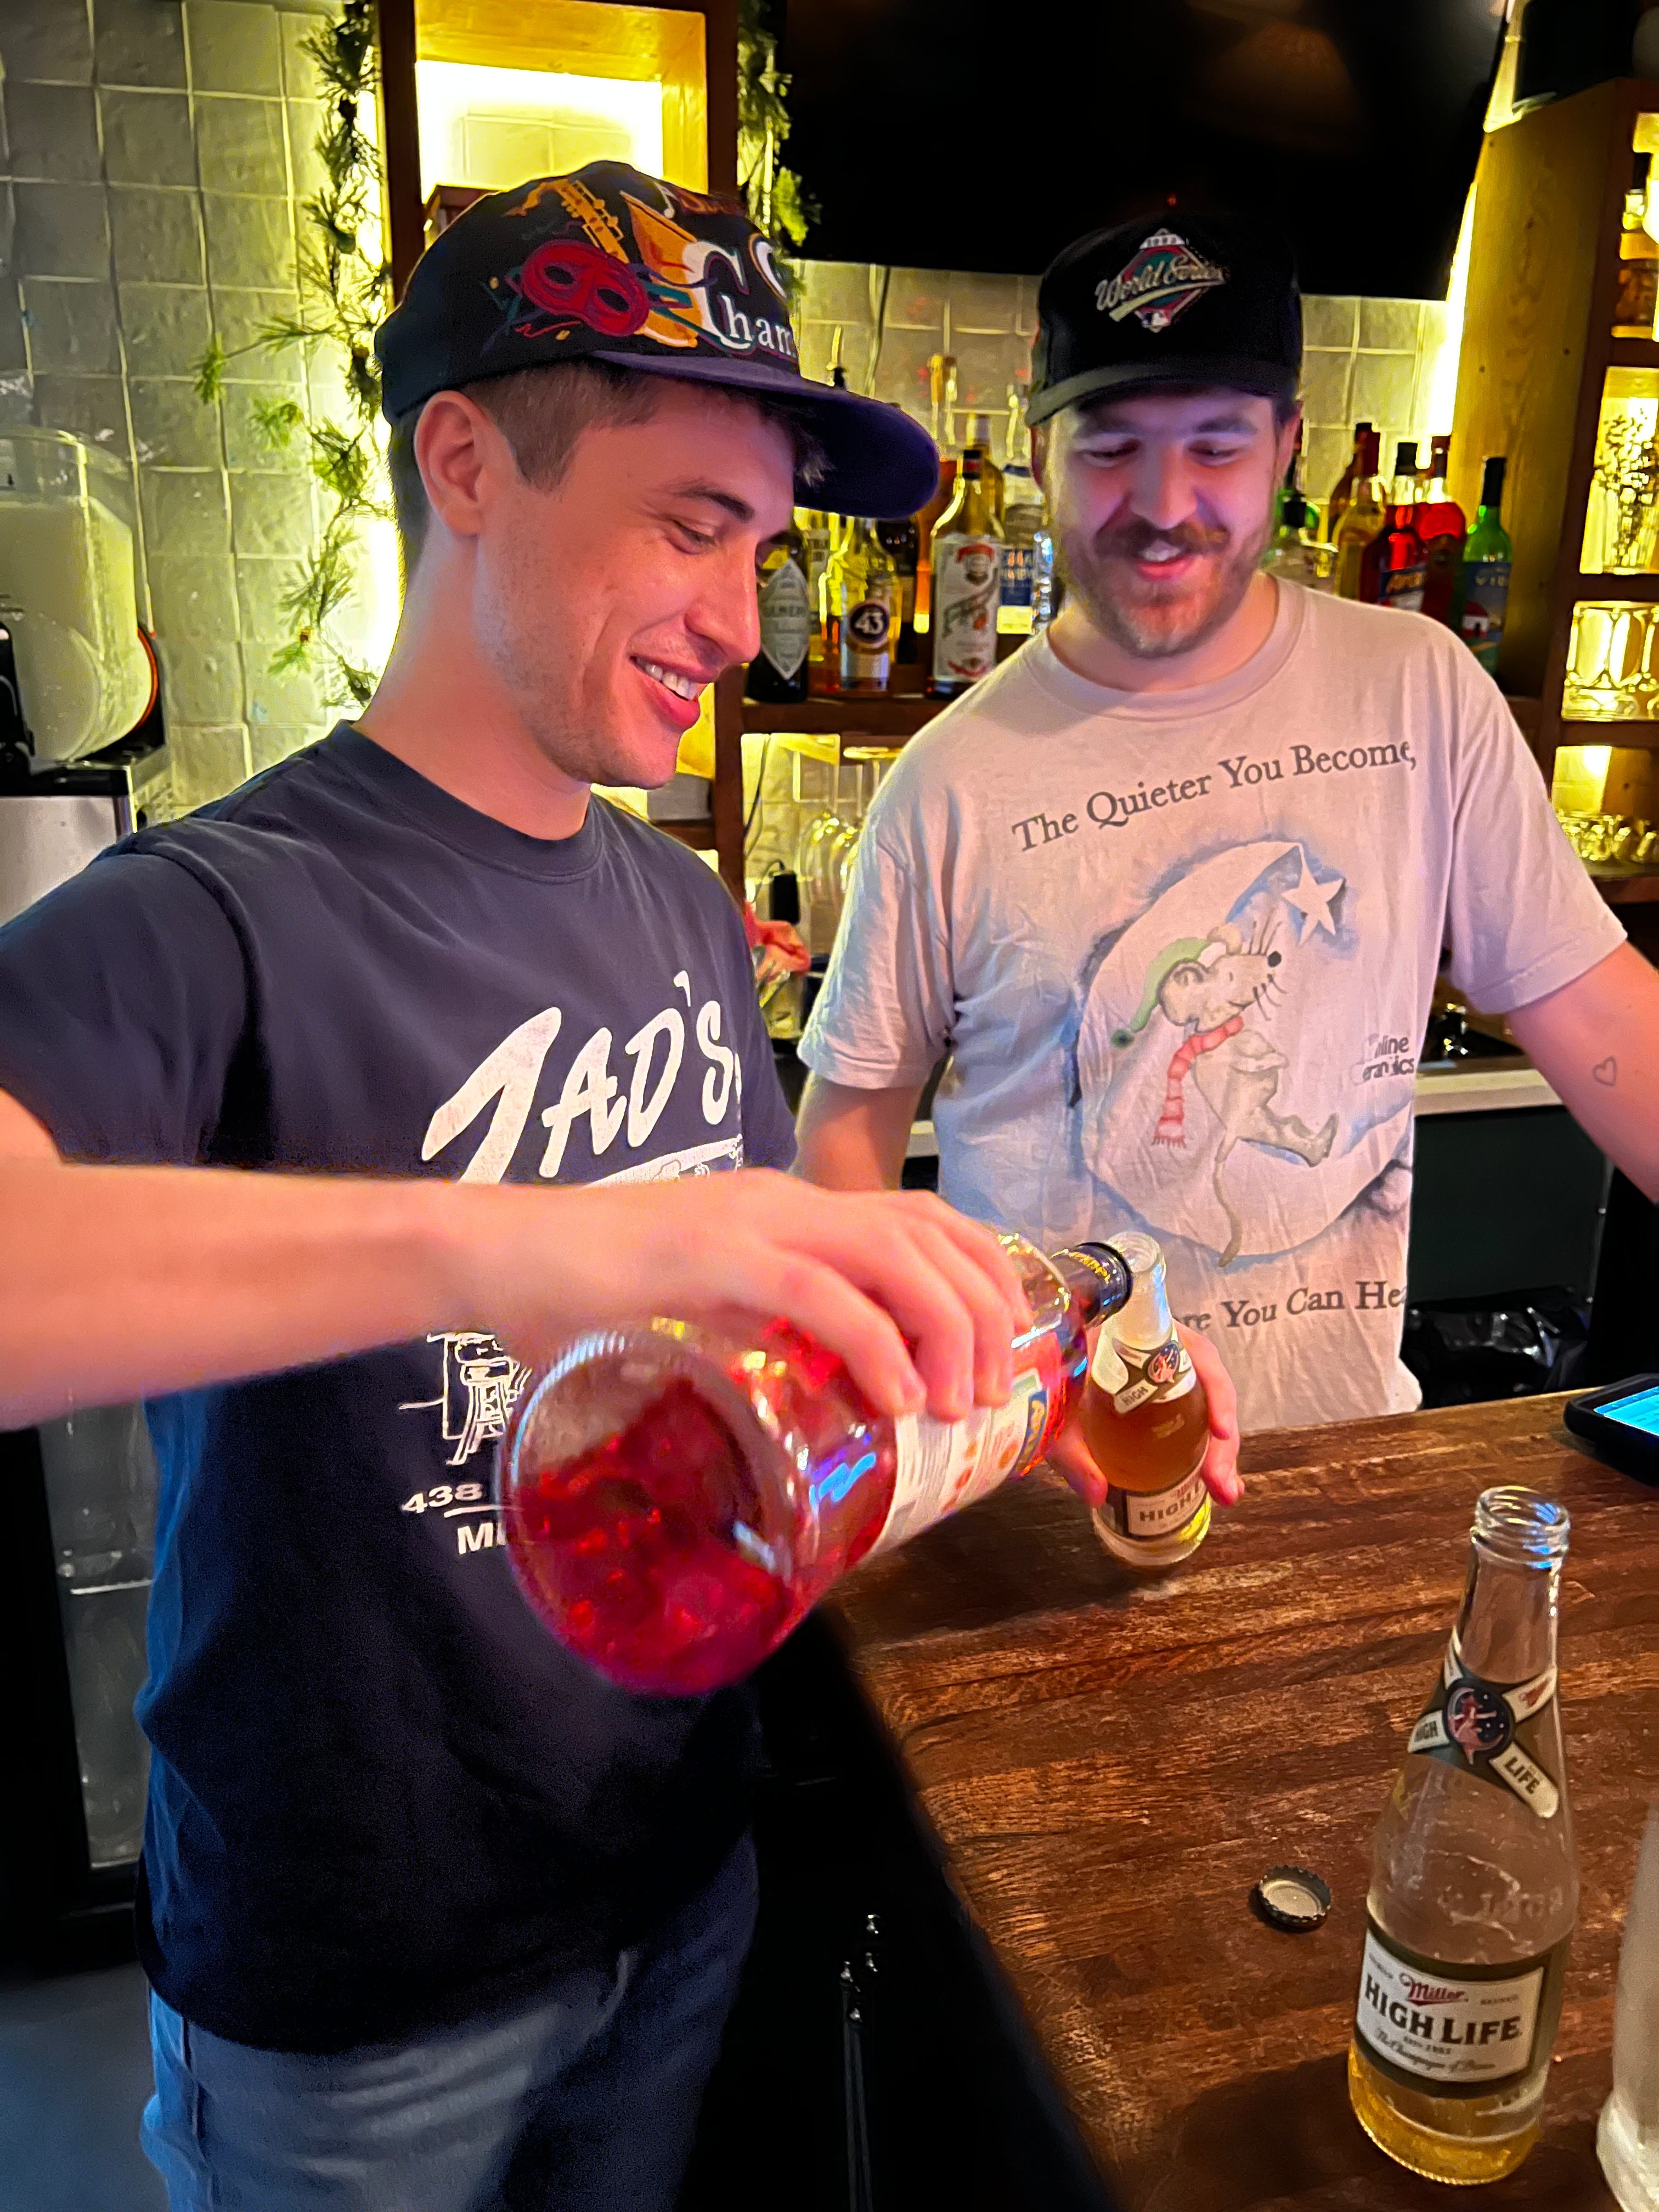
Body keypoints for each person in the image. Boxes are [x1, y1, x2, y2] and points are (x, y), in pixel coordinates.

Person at [0, 166, 1043, 2212]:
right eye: (687, 524)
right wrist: (523, 1242)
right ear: (464, 463)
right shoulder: (215, 911)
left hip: (666, 1896)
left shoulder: (671, 914)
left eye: (759, 546)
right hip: (351, 1997)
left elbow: (738, 1387)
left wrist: (978, 1395)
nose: (743, 625)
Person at [795, 212, 1659, 1435]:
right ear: (1038, 449)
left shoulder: (1418, 691)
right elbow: (849, 1132)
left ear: (1287, 447)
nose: (1163, 505)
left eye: (1215, 445)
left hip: (1342, 1470)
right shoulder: (947, 781)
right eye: (1110, 449)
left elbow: (1592, 1006)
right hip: (1051, 1483)